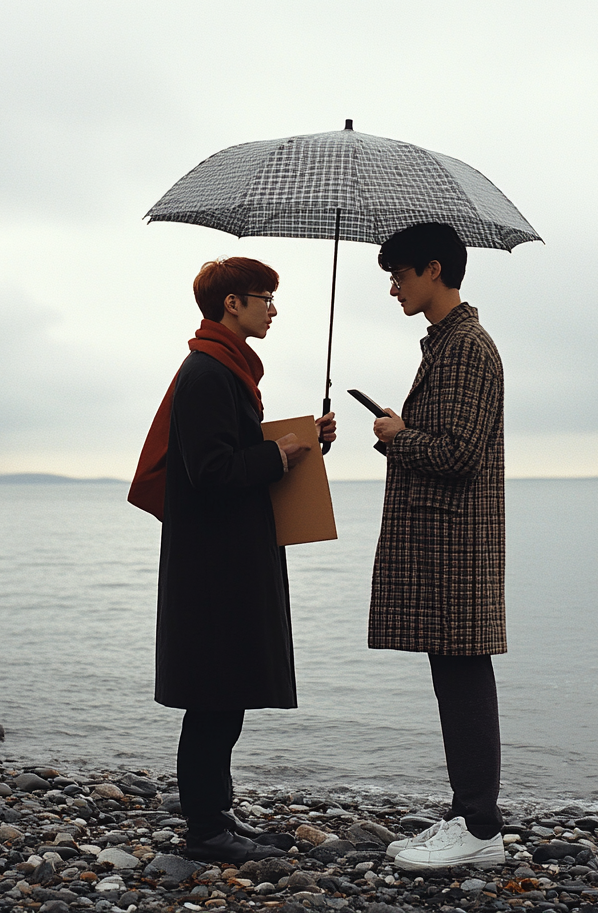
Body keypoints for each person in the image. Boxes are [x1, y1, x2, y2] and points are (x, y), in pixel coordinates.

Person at [128, 256, 336, 863]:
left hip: (225, 561)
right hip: (213, 569)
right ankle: (205, 830)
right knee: (213, 699)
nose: (272, 308)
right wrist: (279, 456)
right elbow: (211, 471)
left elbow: (229, 451)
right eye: (263, 296)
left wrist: (303, 445)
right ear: (231, 306)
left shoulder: (227, 371)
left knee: (224, 696)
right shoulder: (207, 372)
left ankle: (218, 815)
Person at [367, 222, 507, 871]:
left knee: (464, 677)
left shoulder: (468, 349)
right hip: (443, 543)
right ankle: (467, 815)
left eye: (398, 275)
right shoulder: (444, 346)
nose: (393, 287)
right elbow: (447, 441)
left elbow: (458, 453)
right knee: (454, 678)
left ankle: (479, 826)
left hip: (455, 544)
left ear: (432, 270)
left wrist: (400, 437)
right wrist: (401, 433)